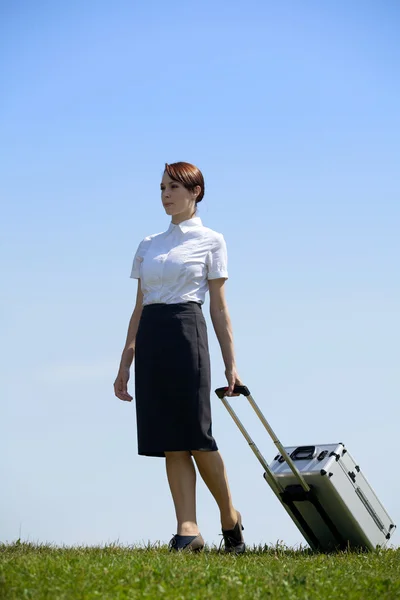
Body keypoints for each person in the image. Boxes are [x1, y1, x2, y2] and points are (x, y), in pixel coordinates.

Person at [114, 161, 245, 554]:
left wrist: (231, 363)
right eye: (161, 188)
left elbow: (220, 309)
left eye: (173, 187)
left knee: (196, 435)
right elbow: (138, 307)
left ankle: (229, 517)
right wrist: (125, 362)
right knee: (171, 439)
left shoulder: (212, 240)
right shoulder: (148, 244)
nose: (165, 194)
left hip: (188, 331)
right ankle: (188, 529)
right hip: (152, 335)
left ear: (196, 192)